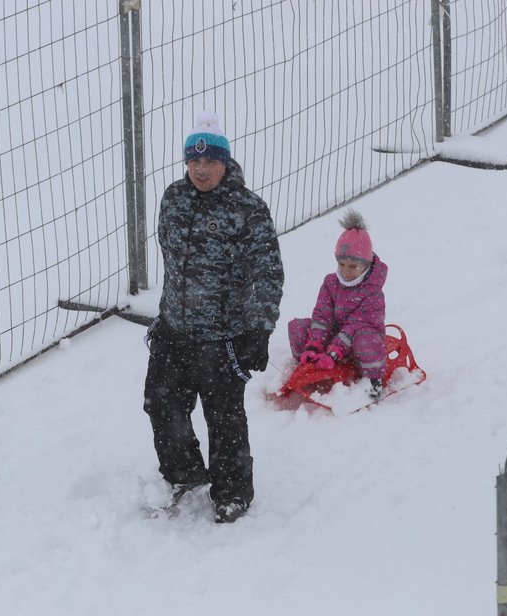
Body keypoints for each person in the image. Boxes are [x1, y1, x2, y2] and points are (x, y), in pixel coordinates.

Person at [144, 111, 284, 524]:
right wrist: (174, 310)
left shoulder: (248, 210)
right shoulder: (173, 197)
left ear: (225, 161)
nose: (201, 169)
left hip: (223, 337)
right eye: (194, 161)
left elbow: (267, 272)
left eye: (210, 161)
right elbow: (171, 258)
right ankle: (184, 473)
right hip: (174, 328)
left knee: (223, 419)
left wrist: (258, 329)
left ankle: (233, 492)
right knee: (161, 403)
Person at [287, 209, 387, 399]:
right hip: (335, 336)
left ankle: (373, 383)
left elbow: (356, 325)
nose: (346, 271)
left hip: (358, 338)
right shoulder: (331, 282)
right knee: (297, 327)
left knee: (367, 340)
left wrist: (335, 351)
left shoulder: (372, 290)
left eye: (353, 266)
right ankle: (309, 367)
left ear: (365, 265)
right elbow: (322, 316)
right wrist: (314, 344)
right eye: (342, 264)